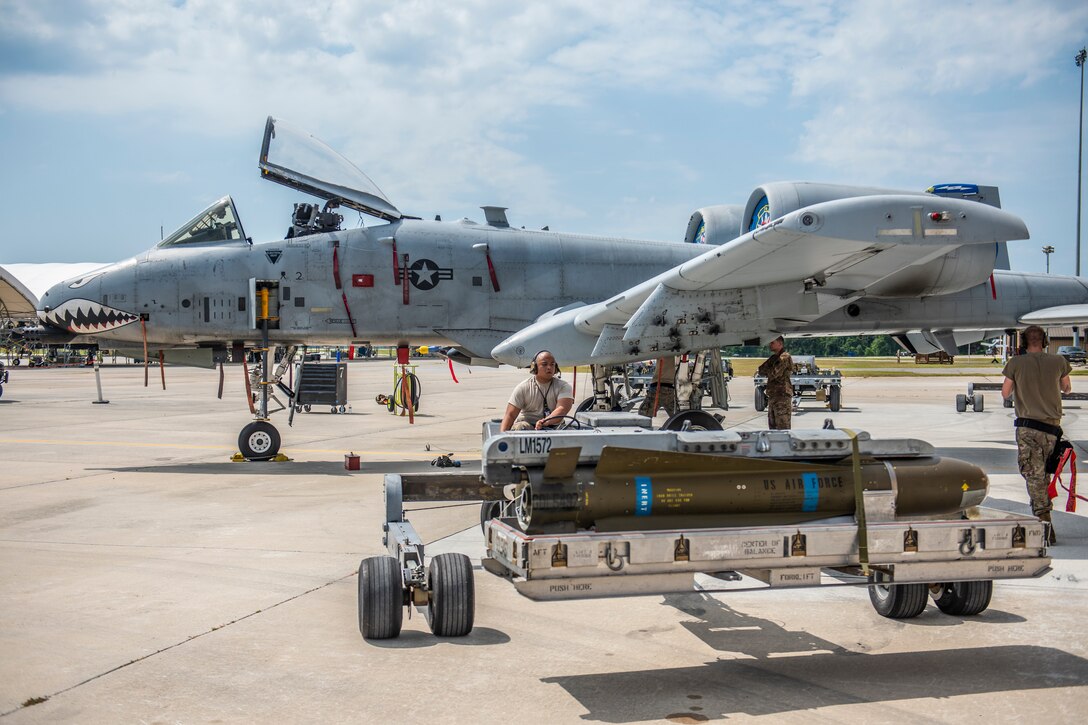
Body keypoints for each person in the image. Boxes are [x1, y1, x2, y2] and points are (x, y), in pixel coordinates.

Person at [1001, 325, 1072, 544]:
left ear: (1022, 342)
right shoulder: (1058, 362)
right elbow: (1067, 388)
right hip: (1051, 429)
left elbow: (1005, 393)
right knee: (1043, 475)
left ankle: (1043, 521)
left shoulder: (1015, 363)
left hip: (1028, 428)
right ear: (1045, 340)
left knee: (1033, 475)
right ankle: (1040, 514)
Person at [500, 350, 575, 431]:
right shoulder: (523, 387)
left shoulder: (563, 386)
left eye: (552, 364)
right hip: (527, 425)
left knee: (571, 433)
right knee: (520, 428)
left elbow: (562, 409)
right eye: (544, 364)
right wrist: (501, 438)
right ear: (535, 367)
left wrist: (546, 421)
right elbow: (510, 415)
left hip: (555, 426)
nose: (549, 367)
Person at [757, 336, 794, 430]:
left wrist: (768, 370)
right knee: (772, 427)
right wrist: (769, 370)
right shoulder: (774, 358)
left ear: (780, 344)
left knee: (783, 427)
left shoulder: (785, 356)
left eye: (772, 342)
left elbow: (774, 373)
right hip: (773, 395)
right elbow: (760, 370)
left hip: (782, 395)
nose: (770, 344)